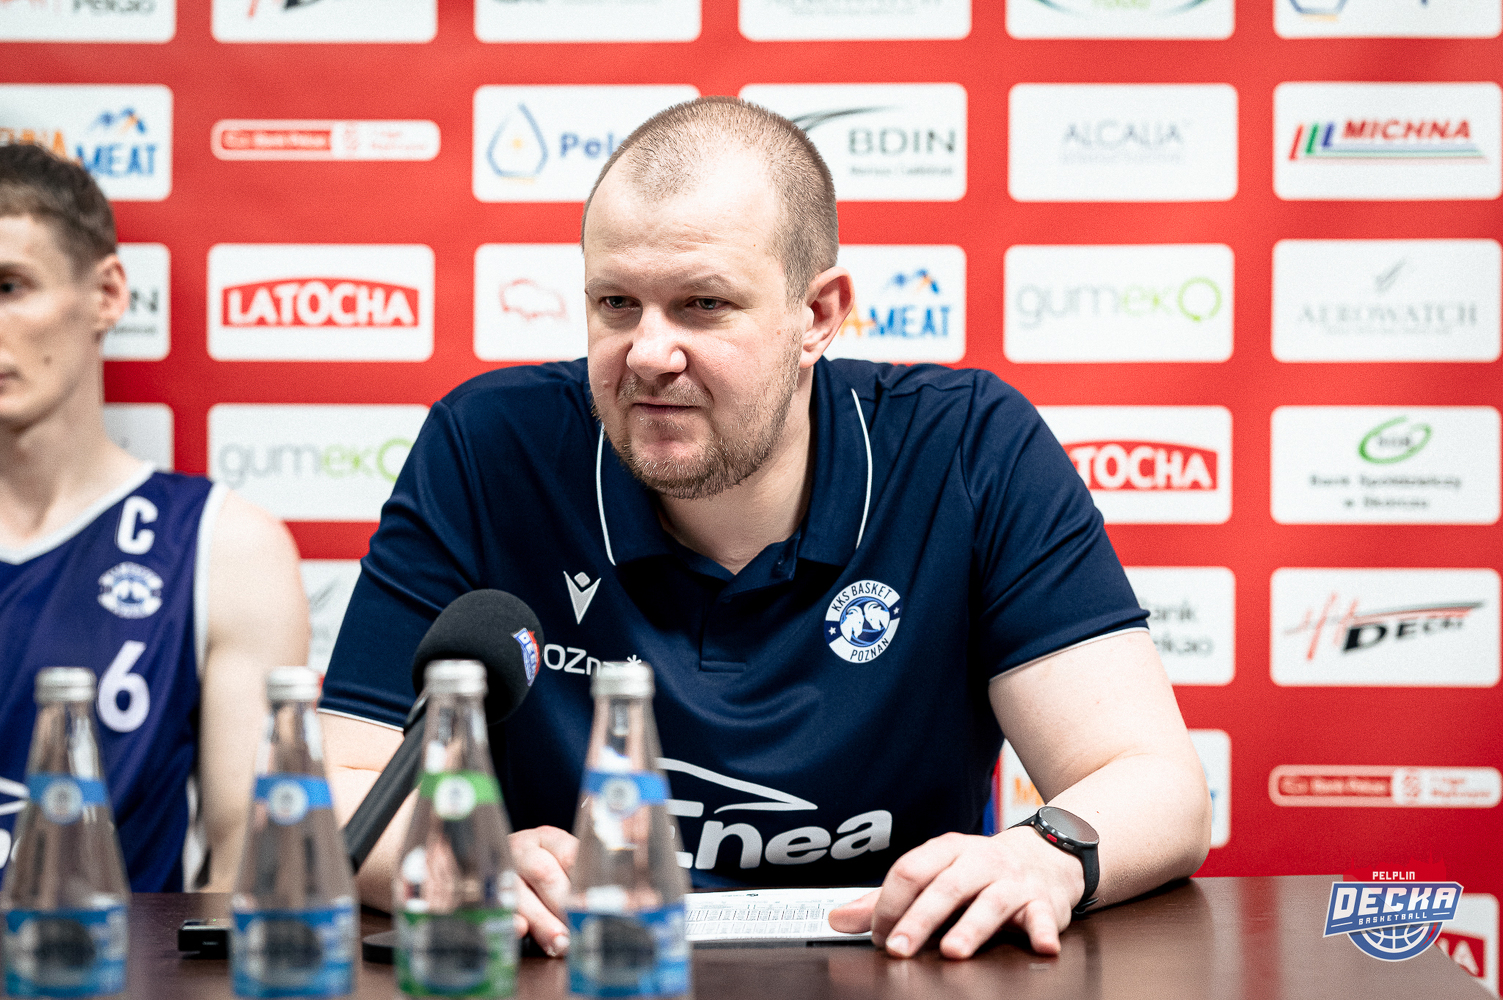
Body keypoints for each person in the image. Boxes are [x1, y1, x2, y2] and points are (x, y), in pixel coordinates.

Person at [318, 97, 1211, 960]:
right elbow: (341, 789)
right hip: (584, 971)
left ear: (816, 316)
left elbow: (1157, 784)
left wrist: (1039, 856)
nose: (648, 354)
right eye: (616, 303)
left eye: (702, 305)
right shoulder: (488, 447)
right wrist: (452, 863)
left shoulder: (967, 448)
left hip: (893, 971)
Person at [0, 143, 309, 891]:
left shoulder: (224, 545)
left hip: (114, 957)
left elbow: (245, 868)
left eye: (9, 286)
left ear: (107, 294)